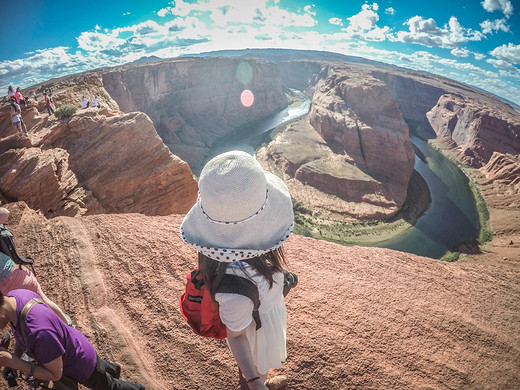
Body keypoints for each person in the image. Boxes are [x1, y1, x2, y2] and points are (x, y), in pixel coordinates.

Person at [180, 150, 293, 390]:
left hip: (256, 314)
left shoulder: (230, 264)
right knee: (255, 363)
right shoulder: (236, 296)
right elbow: (237, 336)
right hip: (256, 327)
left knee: (255, 362)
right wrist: (255, 383)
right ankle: (256, 381)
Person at [0, 289, 146, 390]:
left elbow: (55, 375)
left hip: (80, 364)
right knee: (100, 368)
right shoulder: (15, 297)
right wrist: (12, 361)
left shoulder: (39, 333)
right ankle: (114, 369)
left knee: (109, 386)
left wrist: (13, 361)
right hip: (76, 344)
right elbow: (20, 335)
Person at [0, 208, 69, 324]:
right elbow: (5, 213)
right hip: (17, 273)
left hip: (7, 289)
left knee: (21, 317)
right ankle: (67, 325)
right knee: (44, 300)